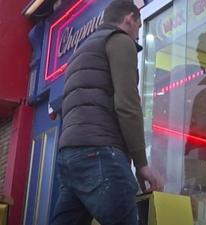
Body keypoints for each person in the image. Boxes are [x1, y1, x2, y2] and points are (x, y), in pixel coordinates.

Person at [51, 0, 163, 224]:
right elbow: (127, 103)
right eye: (139, 28)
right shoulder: (120, 40)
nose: (138, 36)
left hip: (69, 157)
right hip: (101, 154)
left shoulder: (78, 54)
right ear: (130, 19)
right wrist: (141, 163)